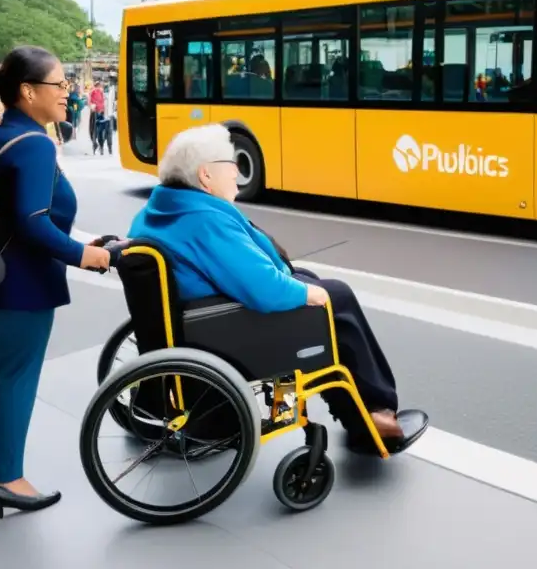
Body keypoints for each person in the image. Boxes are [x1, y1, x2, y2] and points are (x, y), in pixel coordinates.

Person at [128, 123, 421, 450]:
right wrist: (308, 293)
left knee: (309, 277)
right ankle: (376, 411)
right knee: (335, 296)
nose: (237, 171)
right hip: (223, 328)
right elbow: (263, 289)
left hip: (198, 317)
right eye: (230, 164)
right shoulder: (204, 219)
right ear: (205, 176)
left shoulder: (162, 207)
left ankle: (354, 404)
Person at [0, 46, 111, 525]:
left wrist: (76, 239)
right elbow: (33, 221)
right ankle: (9, 479)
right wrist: (87, 255)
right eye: (60, 85)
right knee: (17, 375)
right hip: (20, 281)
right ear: (27, 91)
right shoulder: (36, 144)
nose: (68, 94)